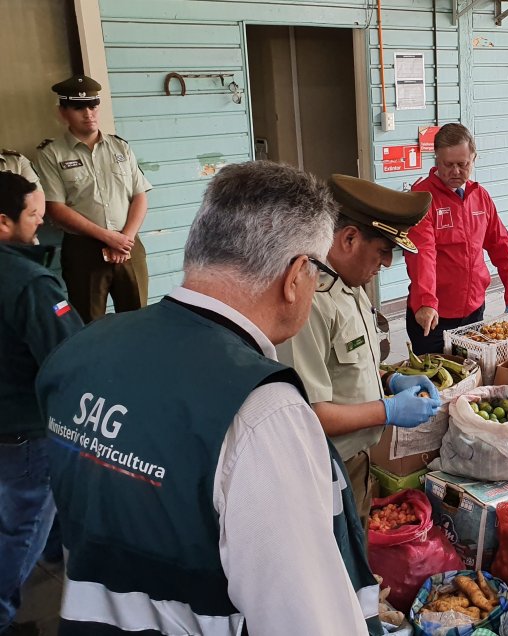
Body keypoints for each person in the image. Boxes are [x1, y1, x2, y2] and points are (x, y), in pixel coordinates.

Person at [36, 162, 383, 635]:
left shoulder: (79, 351)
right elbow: (307, 620)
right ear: (295, 275)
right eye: (318, 272)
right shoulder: (261, 410)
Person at [279, 174, 440, 520]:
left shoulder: (348, 287)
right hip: (326, 468)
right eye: (383, 251)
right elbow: (308, 414)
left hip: (356, 460)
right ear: (349, 238)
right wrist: (388, 410)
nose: (387, 263)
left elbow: (344, 371)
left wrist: (389, 380)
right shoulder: (310, 302)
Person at [0, 172, 83, 636]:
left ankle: (59, 556)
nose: (41, 224)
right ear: (3, 222)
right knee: (22, 526)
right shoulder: (30, 283)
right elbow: (68, 356)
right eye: (34, 216)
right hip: (24, 429)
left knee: (31, 512)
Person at [36, 74, 151, 323]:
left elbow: (140, 195)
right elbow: (55, 208)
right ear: (63, 112)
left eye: (92, 106)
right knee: (88, 322)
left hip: (128, 246)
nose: (88, 113)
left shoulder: (121, 148)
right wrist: (109, 237)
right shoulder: (52, 154)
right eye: (79, 108)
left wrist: (125, 238)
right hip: (84, 251)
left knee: (138, 320)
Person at [404, 122, 508, 354]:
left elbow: (501, 245)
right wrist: (425, 301)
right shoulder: (421, 198)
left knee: (473, 369)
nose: (455, 172)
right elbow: (422, 254)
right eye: (448, 164)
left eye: (463, 164)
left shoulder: (480, 196)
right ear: (436, 160)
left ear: (473, 159)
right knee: (437, 373)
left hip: (474, 309)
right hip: (434, 314)